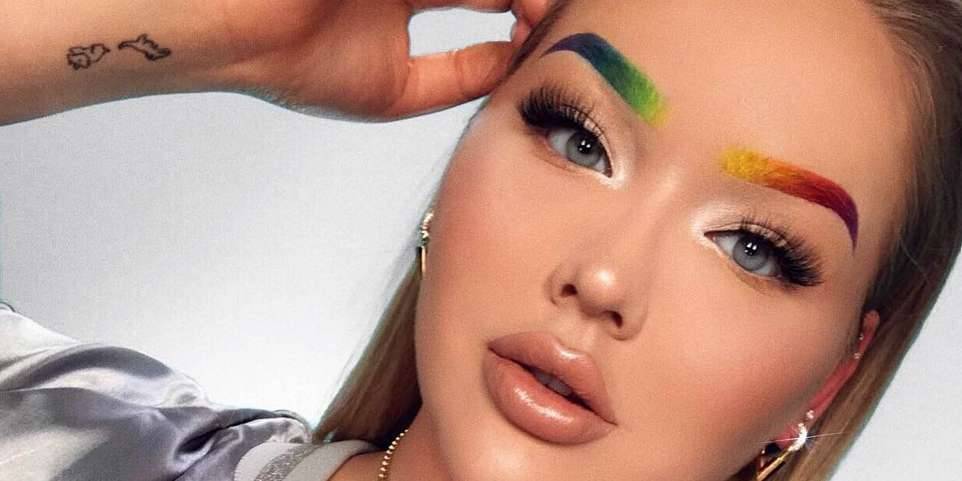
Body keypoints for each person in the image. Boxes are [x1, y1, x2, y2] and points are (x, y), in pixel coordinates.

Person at [1, 1, 961, 481]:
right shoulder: (65, 434)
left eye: (753, 246)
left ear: (832, 380)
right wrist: (216, 30)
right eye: (579, 139)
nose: (603, 274)